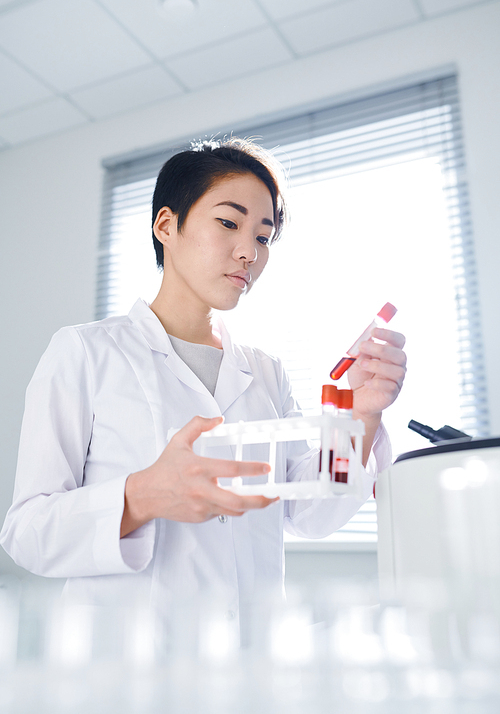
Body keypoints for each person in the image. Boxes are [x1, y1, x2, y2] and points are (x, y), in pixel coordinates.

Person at [0, 138, 406, 619]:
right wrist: (142, 495)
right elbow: (27, 533)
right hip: (127, 666)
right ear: (167, 225)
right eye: (229, 223)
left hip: (248, 664)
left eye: (262, 236)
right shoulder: (86, 352)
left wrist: (361, 416)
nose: (248, 253)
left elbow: (310, 514)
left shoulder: (265, 371)